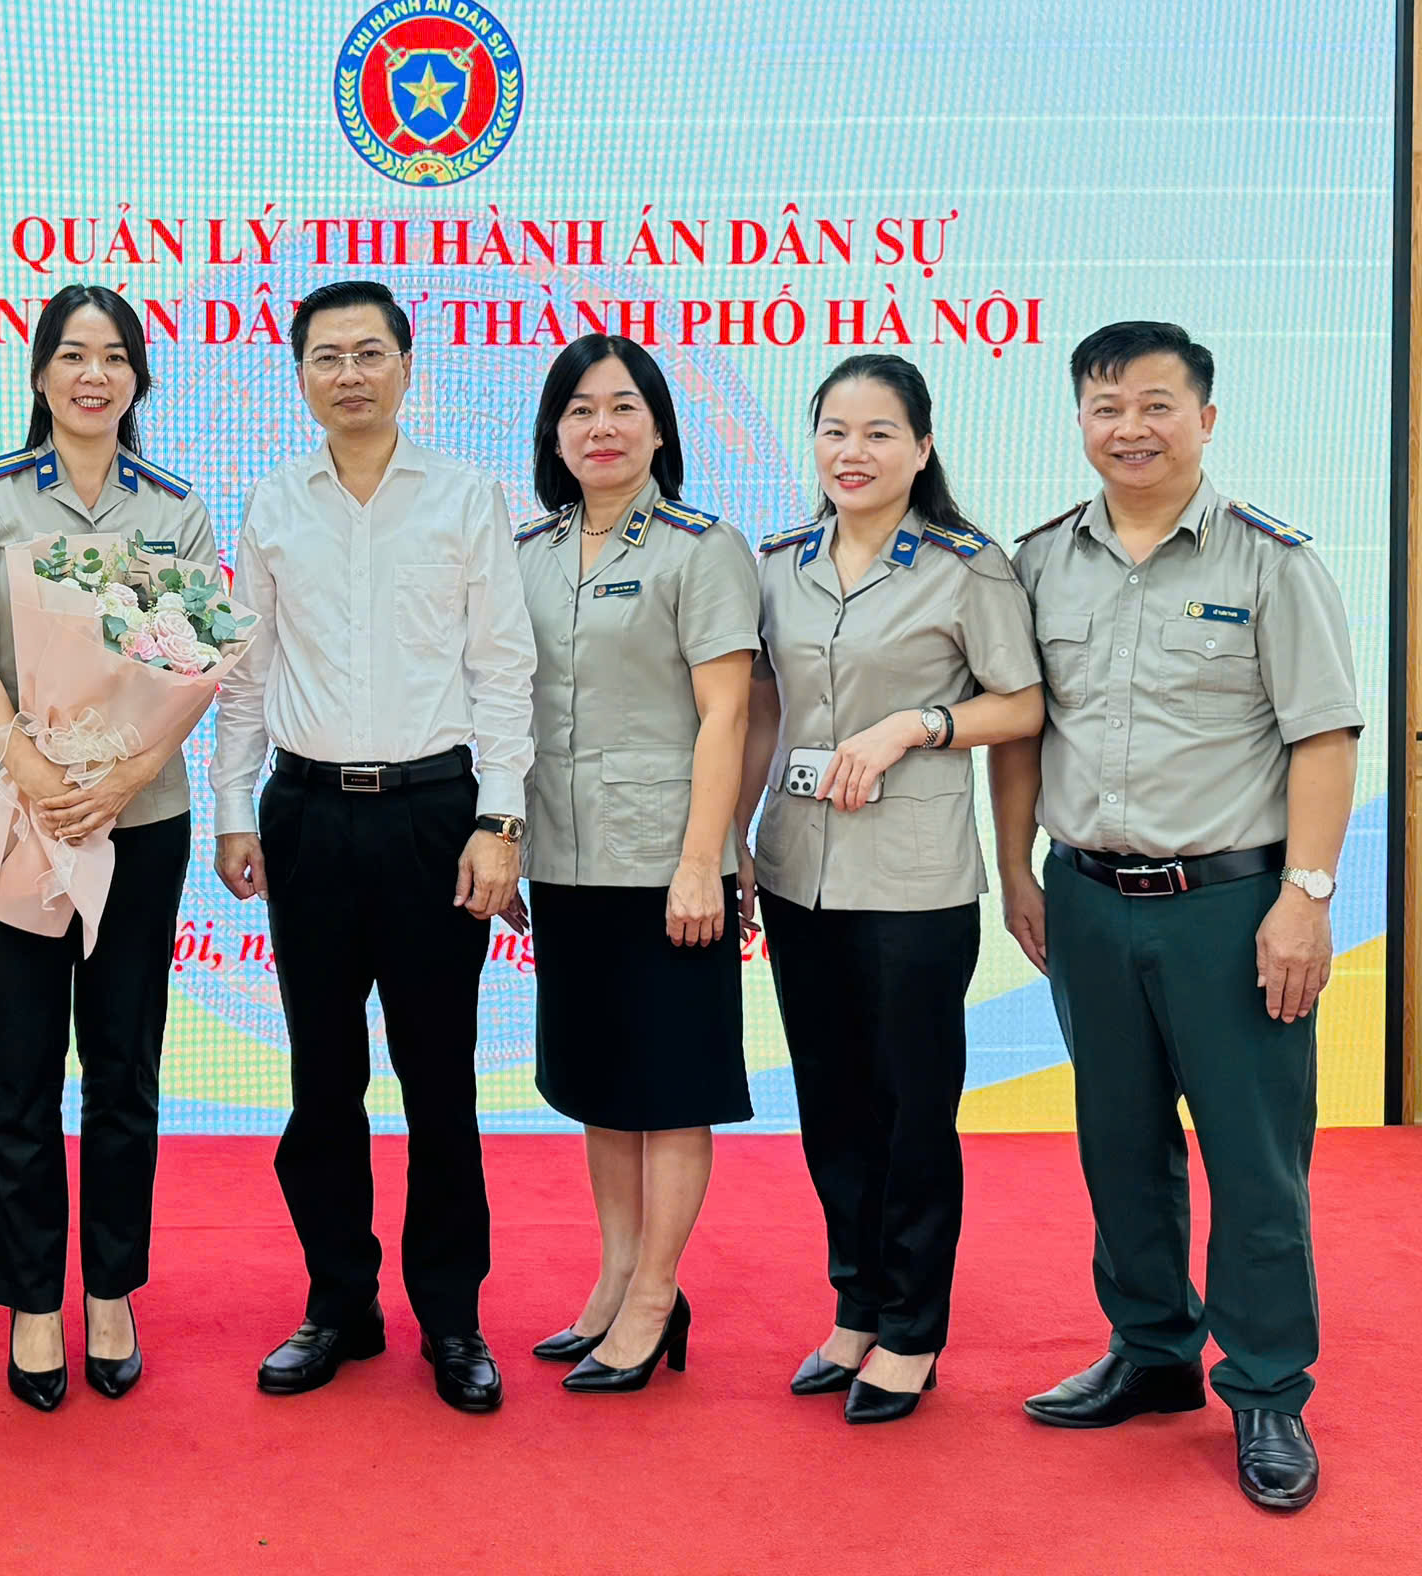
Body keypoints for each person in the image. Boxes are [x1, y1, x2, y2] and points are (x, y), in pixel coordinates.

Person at [993, 322, 1358, 1513]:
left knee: (1253, 1158)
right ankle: (1150, 1351)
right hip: (1088, 900)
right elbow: (1020, 727)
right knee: (1118, 1142)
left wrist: (1304, 898)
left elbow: (1322, 738)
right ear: (1079, 423)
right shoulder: (1040, 562)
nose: (1131, 428)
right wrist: (1017, 872)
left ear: (1204, 419)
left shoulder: (1270, 563)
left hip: (1232, 907)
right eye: (1106, 407)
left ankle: (1265, 1389)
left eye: (1156, 405)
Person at [212, 279, 536, 1415]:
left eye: (368, 353)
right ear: (300, 375)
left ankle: (452, 1317)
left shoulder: (465, 497)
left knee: (439, 1081)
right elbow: (245, 671)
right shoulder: (272, 502)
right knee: (321, 1081)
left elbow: (503, 669)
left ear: (406, 364)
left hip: (435, 815)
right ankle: (338, 1303)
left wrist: (499, 819)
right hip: (306, 816)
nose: (347, 374)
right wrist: (234, 808)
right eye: (325, 357)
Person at [740, 352, 1042, 1425]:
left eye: (878, 433)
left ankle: (913, 1330)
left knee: (912, 1109)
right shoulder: (778, 562)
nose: (852, 452)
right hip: (798, 869)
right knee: (830, 1103)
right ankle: (856, 1308)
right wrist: (732, 837)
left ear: (921, 447)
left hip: (914, 880)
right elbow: (760, 710)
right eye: (834, 431)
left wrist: (918, 723)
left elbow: (1024, 704)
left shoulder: (967, 565)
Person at [0, 285, 213, 1411]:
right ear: (40, 373)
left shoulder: (174, 507)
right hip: (14, 814)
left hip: (136, 821)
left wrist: (131, 771)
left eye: (114, 358)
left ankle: (110, 1291)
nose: (93, 375)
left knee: (124, 1068)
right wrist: (24, 759)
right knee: (18, 1071)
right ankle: (33, 1303)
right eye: (72, 355)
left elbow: (196, 657)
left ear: (138, 379)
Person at [511, 336, 759, 1394]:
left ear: (660, 427)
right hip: (565, 858)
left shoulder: (703, 549)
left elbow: (727, 714)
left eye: (622, 407)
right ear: (554, 433)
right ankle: (615, 1279)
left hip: (667, 864)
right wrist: (509, 839)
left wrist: (705, 861)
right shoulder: (527, 551)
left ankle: (657, 1294)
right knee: (600, 1085)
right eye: (579, 409)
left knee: (670, 1085)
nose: (600, 427)